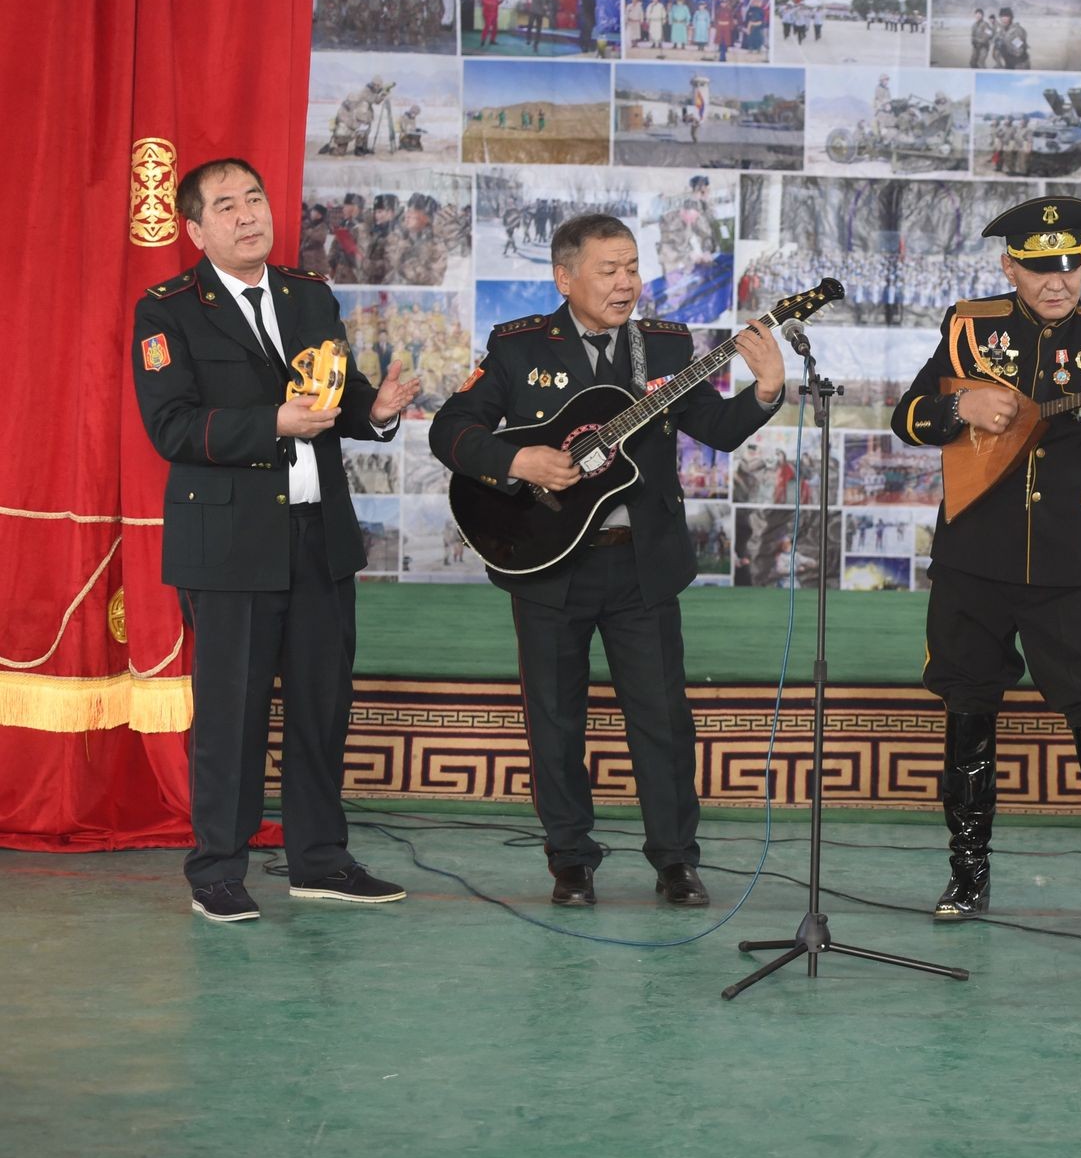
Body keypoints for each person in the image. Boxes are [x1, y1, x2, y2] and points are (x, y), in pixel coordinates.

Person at [428, 214, 787, 908]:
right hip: (546, 560)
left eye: (633, 268)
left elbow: (715, 428)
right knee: (555, 719)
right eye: (609, 270)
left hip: (641, 566)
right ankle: (570, 860)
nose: (626, 283)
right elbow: (452, 429)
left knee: (662, 719)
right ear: (565, 278)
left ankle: (676, 860)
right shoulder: (518, 347)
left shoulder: (665, 345)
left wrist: (765, 390)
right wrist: (517, 461)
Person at [132, 158, 421, 923]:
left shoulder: (308, 294)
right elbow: (171, 426)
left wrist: (376, 411)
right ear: (197, 230)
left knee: (322, 705)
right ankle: (217, 870)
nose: (247, 214)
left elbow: (333, 396)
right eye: (226, 205)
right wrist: (272, 423)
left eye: (254, 198)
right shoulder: (167, 311)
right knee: (232, 714)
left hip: (318, 534)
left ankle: (320, 860)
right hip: (230, 542)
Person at [889, 195, 1081, 926]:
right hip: (974, 553)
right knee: (968, 705)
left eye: (1071, 266)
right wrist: (960, 410)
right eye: (1042, 268)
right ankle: (968, 874)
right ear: (1009, 266)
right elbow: (908, 416)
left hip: (1067, 559)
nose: (1059, 281)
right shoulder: (969, 327)